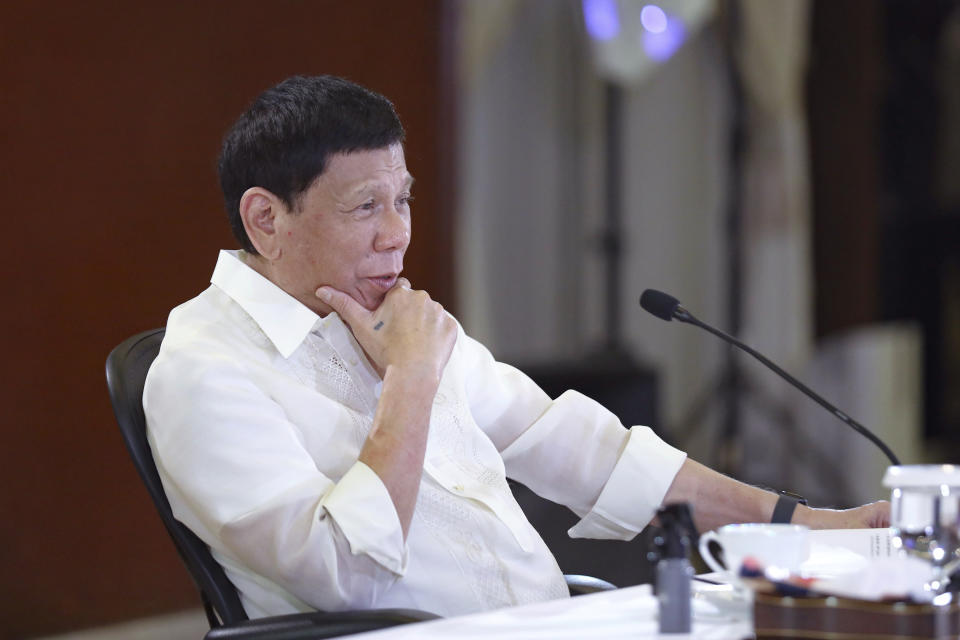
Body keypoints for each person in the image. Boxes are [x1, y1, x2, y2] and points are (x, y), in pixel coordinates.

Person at [144, 75, 889, 620]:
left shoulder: (391, 316)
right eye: (364, 207)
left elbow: (585, 454)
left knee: (787, 616)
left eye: (402, 198)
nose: (398, 232)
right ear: (266, 221)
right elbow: (346, 576)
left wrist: (813, 526)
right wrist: (409, 380)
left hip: (550, 620)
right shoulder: (204, 373)